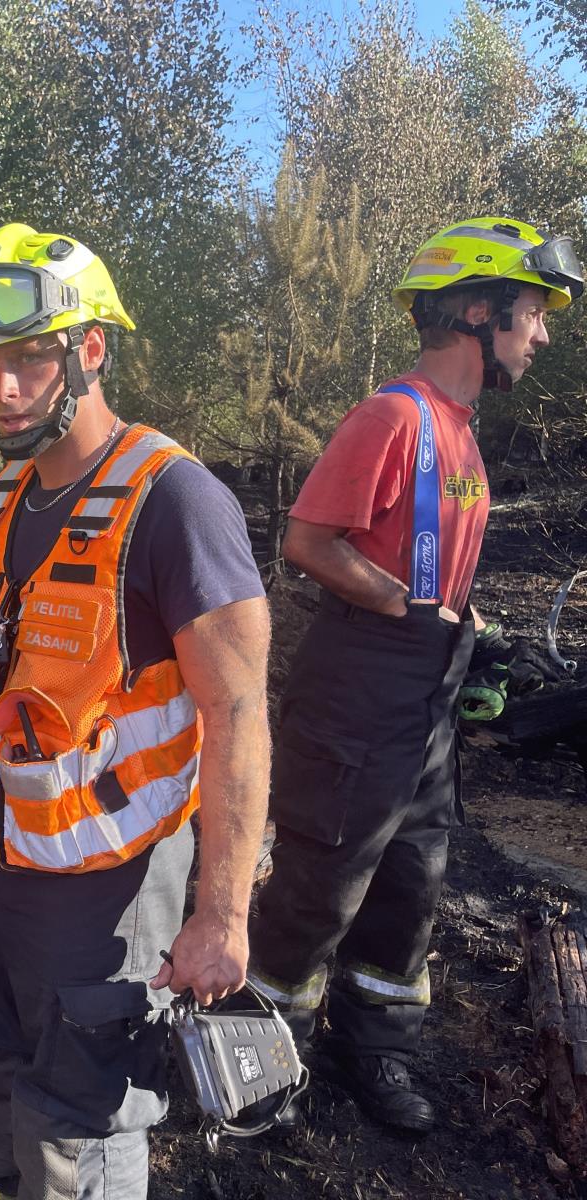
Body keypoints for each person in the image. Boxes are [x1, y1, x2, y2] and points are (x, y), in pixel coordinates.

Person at [0, 223, 272, 1199]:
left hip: (110, 895)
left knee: (81, 1126)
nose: (5, 388)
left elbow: (239, 713)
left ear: (92, 349)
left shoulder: (175, 501)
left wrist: (221, 914)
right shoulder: (3, 498)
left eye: (30, 358)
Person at [246, 217, 582, 1135]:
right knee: (321, 884)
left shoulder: (459, 431)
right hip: (361, 685)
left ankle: (372, 1051)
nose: (542, 334)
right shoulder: (393, 417)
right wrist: (407, 608)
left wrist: (472, 629)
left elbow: (419, 560)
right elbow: (309, 541)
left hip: (427, 694)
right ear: (478, 311)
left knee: (411, 881)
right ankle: (258, 1059)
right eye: (532, 313)